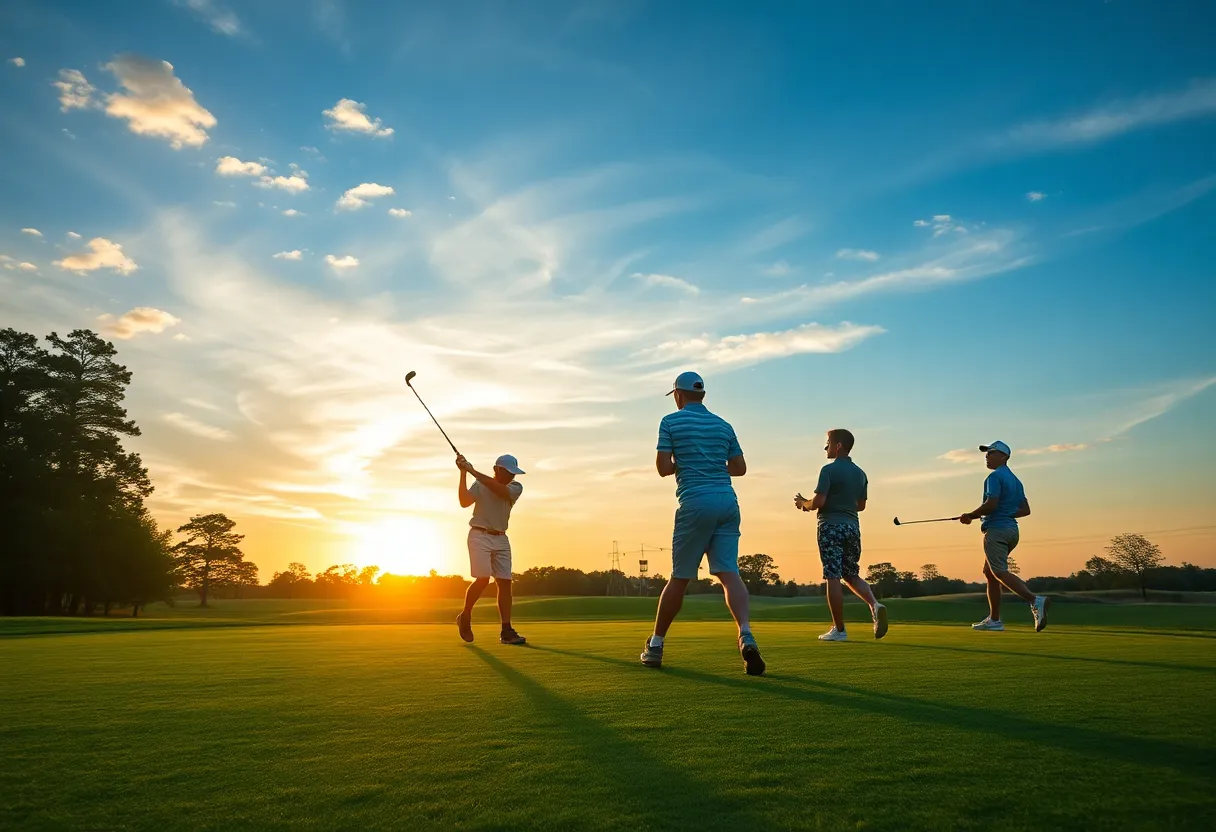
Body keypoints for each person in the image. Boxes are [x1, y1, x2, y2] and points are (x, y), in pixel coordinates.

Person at [641, 371, 765, 675]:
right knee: (728, 572)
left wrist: (685, 462)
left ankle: (655, 645)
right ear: (703, 395)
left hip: (696, 502)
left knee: (680, 577)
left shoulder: (670, 422)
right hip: (727, 501)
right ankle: (745, 635)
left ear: (678, 396)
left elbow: (662, 467)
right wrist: (712, 462)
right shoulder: (723, 425)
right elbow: (739, 468)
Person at [794, 428, 888, 641]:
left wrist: (803, 504)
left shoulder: (828, 470)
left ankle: (839, 629)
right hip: (853, 527)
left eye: (828, 442)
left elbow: (818, 502)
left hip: (830, 527)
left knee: (833, 575)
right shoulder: (860, 473)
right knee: (850, 573)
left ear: (838, 446)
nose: (825, 447)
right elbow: (860, 505)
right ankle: (875, 604)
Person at [960, 441, 1048, 632]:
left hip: (997, 530)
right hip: (1012, 531)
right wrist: (1004, 512)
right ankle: (994, 620)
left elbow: (991, 504)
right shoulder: (1016, 481)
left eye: (991, 452)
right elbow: (1025, 510)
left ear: (1004, 457)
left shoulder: (994, 477)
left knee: (999, 572)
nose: (987, 456)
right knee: (989, 573)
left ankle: (1034, 600)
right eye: (987, 453)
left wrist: (971, 516)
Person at [454, 453, 528, 645]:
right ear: (496, 470)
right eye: (509, 472)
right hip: (479, 535)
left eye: (513, 473)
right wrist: (463, 473)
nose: (512, 476)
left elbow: (499, 490)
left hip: (501, 538)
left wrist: (471, 470)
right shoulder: (479, 485)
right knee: (483, 579)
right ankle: (466, 616)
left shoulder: (515, 488)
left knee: (505, 583)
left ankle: (506, 630)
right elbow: (464, 502)